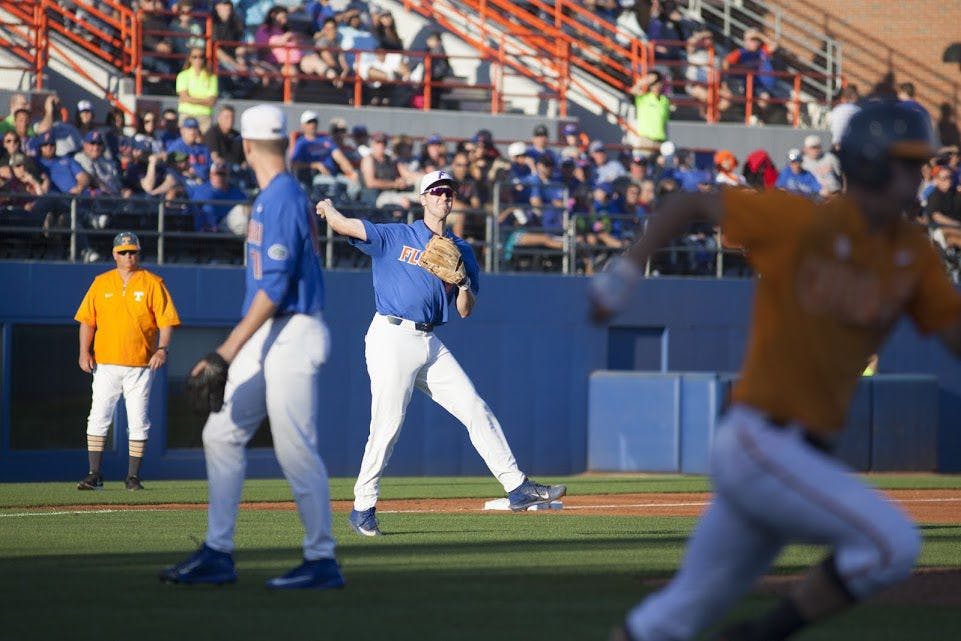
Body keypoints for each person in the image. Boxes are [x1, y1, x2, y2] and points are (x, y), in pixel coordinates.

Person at [592, 101, 961, 641]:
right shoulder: (801, 221)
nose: (918, 178)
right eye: (907, 164)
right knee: (892, 544)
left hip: (796, 454)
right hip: (762, 440)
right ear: (870, 162)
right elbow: (692, 203)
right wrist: (627, 268)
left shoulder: (913, 254)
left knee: (672, 618)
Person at [316, 170, 567, 536]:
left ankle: (516, 487)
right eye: (436, 192)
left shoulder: (462, 250)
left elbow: (466, 309)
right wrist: (327, 208)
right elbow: (348, 227)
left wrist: (463, 282)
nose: (443, 198)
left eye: (448, 193)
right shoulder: (396, 235)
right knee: (387, 426)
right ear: (423, 198)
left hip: (428, 340)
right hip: (391, 335)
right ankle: (362, 508)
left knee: (475, 407)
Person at [159, 104, 344, 590]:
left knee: (294, 449)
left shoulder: (280, 197)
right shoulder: (275, 195)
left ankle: (322, 560)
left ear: (245, 146)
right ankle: (218, 552)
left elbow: (275, 287)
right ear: (283, 142)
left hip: (292, 329)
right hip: (272, 332)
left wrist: (224, 351)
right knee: (220, 434)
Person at [75, 232, 180, 491]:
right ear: (114, 254)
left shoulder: (152, 282)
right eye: (122, 252)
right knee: (98, 416)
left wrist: (162, 349)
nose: (128, 256)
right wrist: (83, 351)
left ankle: (133, 476)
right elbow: (88, 321)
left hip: (141, 363)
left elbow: (166, 322)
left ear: (139, 253)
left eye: (132, 251)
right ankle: (94, 474)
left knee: (138, 419)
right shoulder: (101, 282)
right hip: (106, 362)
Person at [177, 47, 219, 132]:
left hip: (204, 116)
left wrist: (190, 99)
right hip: (187, 114)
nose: (198, 59)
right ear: (190, 59)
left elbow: (212, 101)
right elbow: (184, 97)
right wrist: (204, 101)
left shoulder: (212, 77)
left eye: (201, 57)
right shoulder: (183, 75)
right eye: (194, 57)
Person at [630, 71, 670, 151]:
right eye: (654, 83)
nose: (656, 85)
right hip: (646, 140)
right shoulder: (643, 98)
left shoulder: (665, 101)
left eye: (658, 82)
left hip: (660, 141)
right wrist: (646, 80)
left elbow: (665, 123)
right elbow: (633, 91)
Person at [827, 85, 860, 150]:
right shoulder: (857, 110)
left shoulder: (836, 110)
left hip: (834, 144)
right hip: (848, 145)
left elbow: (829, 122)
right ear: (854, 97)